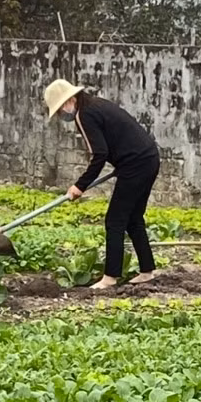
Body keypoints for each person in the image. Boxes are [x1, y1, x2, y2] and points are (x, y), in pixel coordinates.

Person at [43, 79, 161, 290]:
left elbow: (100, 154)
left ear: (70, 100)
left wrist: (79, 186)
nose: (62, 114)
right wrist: (120, 161)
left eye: (61, 108)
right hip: (148, 158)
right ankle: (147, 271)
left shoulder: (84, 114)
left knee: (114, 220)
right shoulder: (96, 104)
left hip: (136, 164)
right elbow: (118, 139)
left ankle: (110, 277)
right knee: (133, 218)